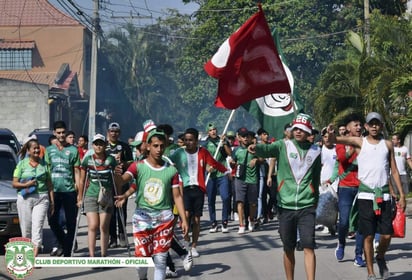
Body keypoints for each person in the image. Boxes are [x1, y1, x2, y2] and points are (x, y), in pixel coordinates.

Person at [327, 112, 406, 280]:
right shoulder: (359, 142)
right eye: (371, 124)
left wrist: (401, 195)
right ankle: (370, 272)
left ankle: (380, 256)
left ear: (381, 126)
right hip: (365, 196)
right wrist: (331, 133)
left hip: (383, 196)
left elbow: (394, 171)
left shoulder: (388, 144)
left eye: (377, 123)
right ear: (366, 127)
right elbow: (336, 141)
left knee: (386, 235)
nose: (374, 126)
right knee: (368, 235)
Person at [248, 113, 321, 280]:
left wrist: (315, 198)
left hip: (306, 206)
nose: (298, 132)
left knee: (309, 246)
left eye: (302, 129)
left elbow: (315, 177)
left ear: (309, 131)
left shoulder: (316, 151)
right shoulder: (283, 145)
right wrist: (256, 148)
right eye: (295, 128)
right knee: (288, 248)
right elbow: (267, 150)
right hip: (285, 206)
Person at [113, 129, 189, 280]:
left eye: (162, 146)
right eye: (155, 145)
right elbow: (123, 181)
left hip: (164, 218)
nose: (159, 149)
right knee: (142, 261)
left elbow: (177, 196)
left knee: (160, 259)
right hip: (142, 218)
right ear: (148, 146)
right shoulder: (138, 166)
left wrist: (184, 219)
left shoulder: (171, 170)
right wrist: (117, 175)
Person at [169, 128, 228, 258]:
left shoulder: (203, 152)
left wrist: (227, 171)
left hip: (199, 189)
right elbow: (167, 161)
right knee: (186, 215)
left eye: (191, 140)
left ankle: (194, 246)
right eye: (186, 140)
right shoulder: (178, 153)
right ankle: (186, 243)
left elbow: (214, 163)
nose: (188, 143)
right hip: (184, 189)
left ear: (196, 141)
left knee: (196, 219)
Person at [13, 138, 54, 257]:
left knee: (37, 227)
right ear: (29, 151)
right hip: (25, 198)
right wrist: (26, 184)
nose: (36, 150)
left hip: (42, 197)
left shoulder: (45, 164)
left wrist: (52, 202)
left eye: (38, 148)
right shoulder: (22, 164)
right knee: (26, 229)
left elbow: (50, 184)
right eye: (34, 148)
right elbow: (14, 183)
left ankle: (34, 258)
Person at [77, 134, 117, 258]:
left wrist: (119, 195)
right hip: (90, 195)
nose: (98, 146)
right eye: (96, 144)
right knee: (93, 225)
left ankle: (104, 255)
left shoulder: (111, 160)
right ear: (93, 145)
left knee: (104, 226)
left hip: (106, 196)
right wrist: (79, 197)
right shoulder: (87, 159)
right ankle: (92, 256)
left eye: (101, 144)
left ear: (105, 145)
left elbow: (117, 178)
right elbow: (82, 180)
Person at [333, 113, 365, 267]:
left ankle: (358, 255)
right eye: (355, 125)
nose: (358, 128)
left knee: (359, 222)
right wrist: (354, 147)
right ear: (347, 128)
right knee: (344, 221)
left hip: (362, 186)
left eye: (360, 125)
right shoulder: (341, 142)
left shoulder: (367, 142)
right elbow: (342, 159)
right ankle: (341, 244)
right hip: (345, 187)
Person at [45, 120, 80, 257]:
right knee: (52, 221)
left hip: (69, 191)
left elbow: (77, 172)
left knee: (71, 223)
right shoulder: (49, 150)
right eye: (58, 133)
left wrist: (79, 194)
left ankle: (67, 252)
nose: (60, 135)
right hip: (54, 191)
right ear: (54, 133)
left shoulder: (73, 150)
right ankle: (64, 243)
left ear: (66, 132)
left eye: (63, 132)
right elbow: (47, 172)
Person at [105, 122, 133, 248]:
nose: (114, 133)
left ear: (119, 133)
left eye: (116, 131)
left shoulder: (125, 147)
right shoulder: (103, 146)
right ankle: (112, 237)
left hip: (121, 181)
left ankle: (122, 234)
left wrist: (122, 162)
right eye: (112, 131)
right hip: (107, 182)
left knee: (121, 209)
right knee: (110, 211)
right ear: (108, 132)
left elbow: (131, 165)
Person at [231, 127, 262, 234]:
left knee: (253, 203)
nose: (245, 138)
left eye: (247, 136)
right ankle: (241, 224)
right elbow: (233, 162)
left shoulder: (254, 148)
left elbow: (262, 159)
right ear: (239, 138)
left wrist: (256, 159)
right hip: (240, 179)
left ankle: (251, 220)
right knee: (240, 201)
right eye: (243, 136)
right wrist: (232, 163)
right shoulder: (236, 150)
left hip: (252, 179)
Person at [204, 123, 232, 233]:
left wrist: (224, 143)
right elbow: (203, 158)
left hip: (222, 173)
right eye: (211, 130)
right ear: (208, 132)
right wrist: (206, 167)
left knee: (225, 197)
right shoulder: (205, 143)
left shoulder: (222, 141)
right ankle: (213, 222)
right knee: (211, 200)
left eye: (214, 129)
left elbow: (230, 153)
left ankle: (224, 222)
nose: (213, 132)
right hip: (211, 175)